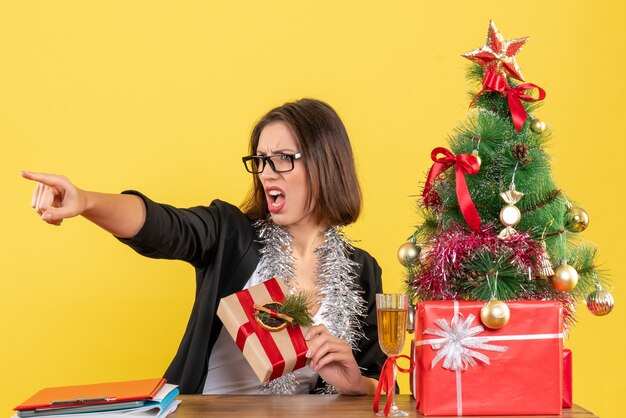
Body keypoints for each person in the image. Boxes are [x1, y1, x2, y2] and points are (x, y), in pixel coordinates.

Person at [22, 98, 386, 396]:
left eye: (283, 158)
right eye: (260, 160)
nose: (267, 172)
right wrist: (86, 201)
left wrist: (356, 383)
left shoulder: (362, 271)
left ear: (326, 164)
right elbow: (164, 226)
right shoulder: (230, 234)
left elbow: (380, 381)